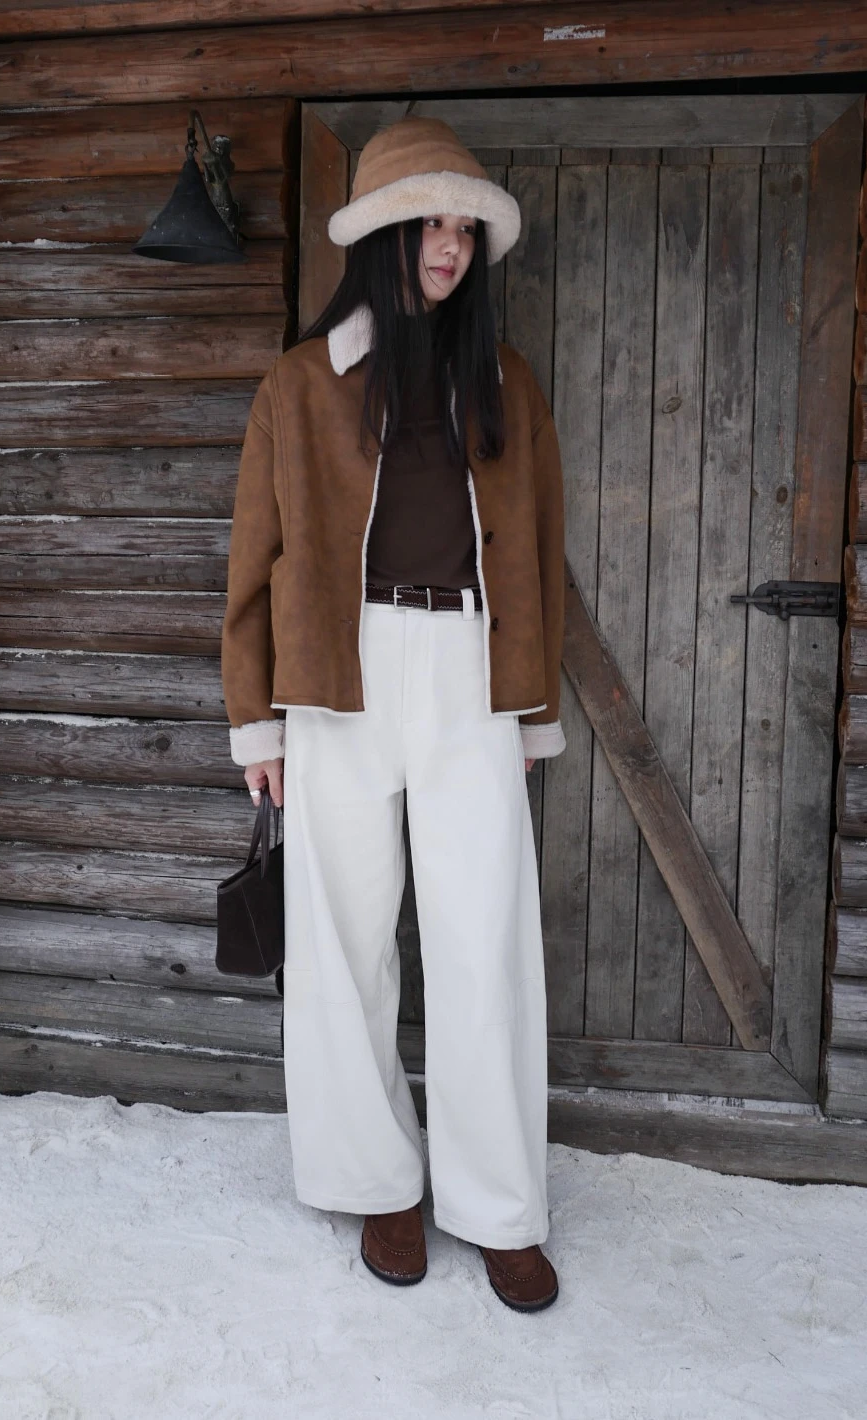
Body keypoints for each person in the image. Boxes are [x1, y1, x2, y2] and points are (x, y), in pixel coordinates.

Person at [221, 116, 565, 1313]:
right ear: (381, 236)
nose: (451, 245)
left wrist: (529, 708)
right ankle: (381, 1183)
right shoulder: (299, 384)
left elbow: (538, 551)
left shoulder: (505, 378)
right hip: (338, 676)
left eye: (465, 227)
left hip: (470, 669)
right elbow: (253, 562)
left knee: (484, 942)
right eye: (431, 223)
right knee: (344, 944)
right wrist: (257, 722)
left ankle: (500, 1206)